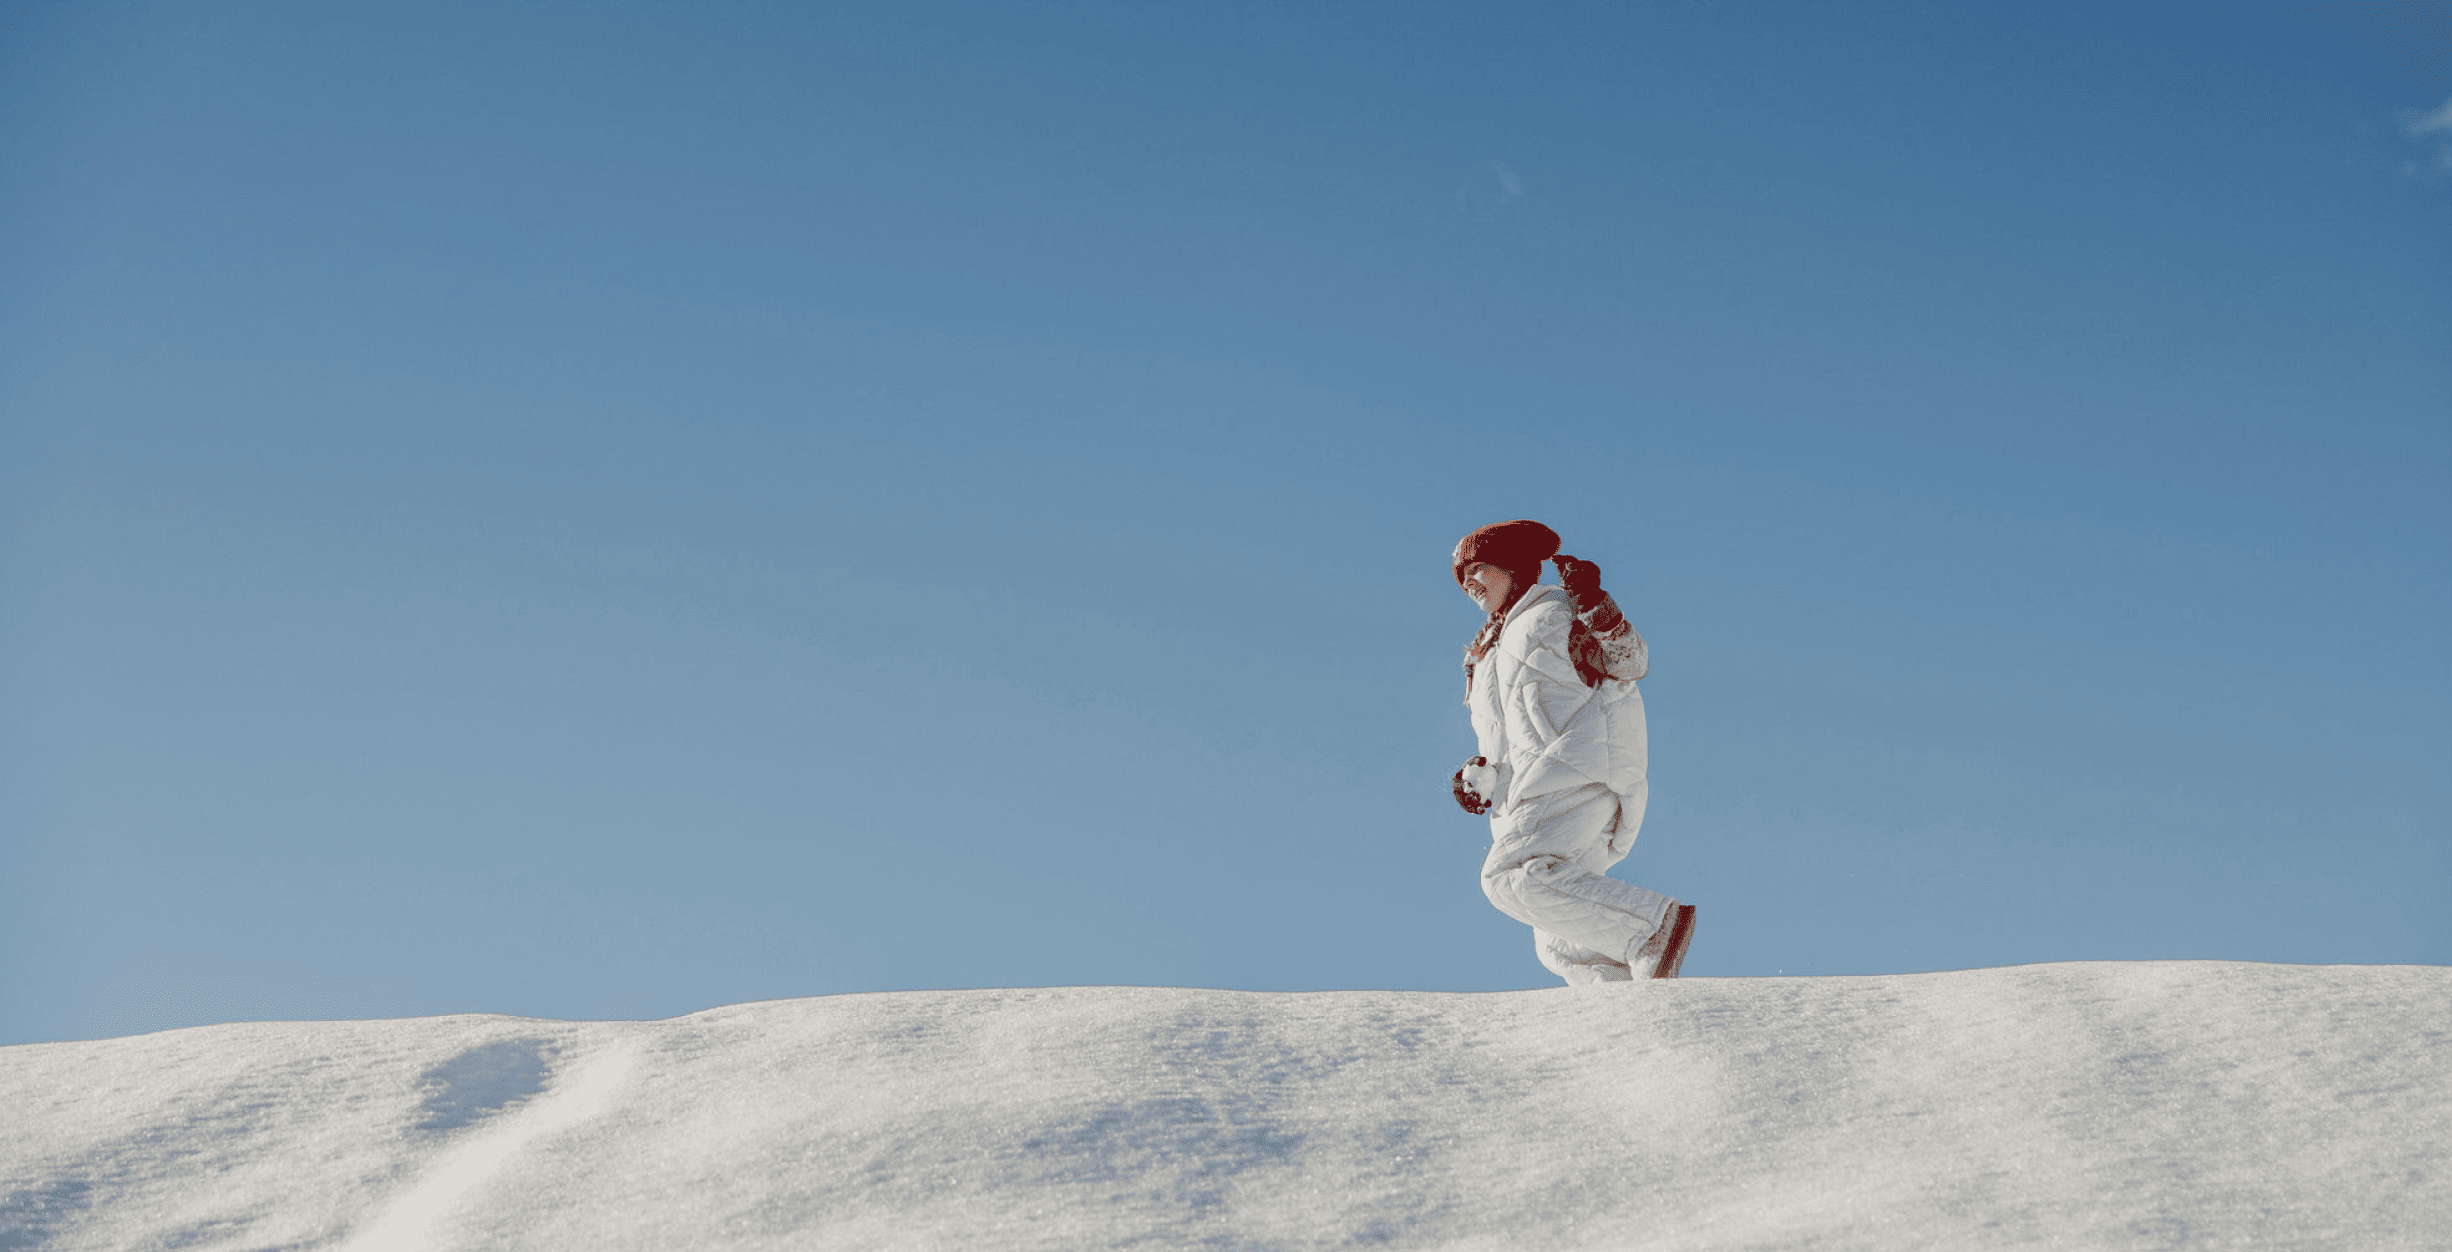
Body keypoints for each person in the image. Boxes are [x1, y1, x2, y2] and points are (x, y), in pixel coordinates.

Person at [1448, 519, 1696, 983]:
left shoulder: (1554, 614)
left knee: (1508, 876)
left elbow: (1630, 661)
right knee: (1563, 943)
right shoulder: (1483, 657)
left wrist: (1598, 608)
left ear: (1511, 566)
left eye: (1478, 568)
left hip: (1578, 772)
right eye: (1462, 577)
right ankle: (1630, 1005)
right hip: (1529, 794)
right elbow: (1503, 736)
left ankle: (1652, 928)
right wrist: (1478, 776)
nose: (1469, 583)